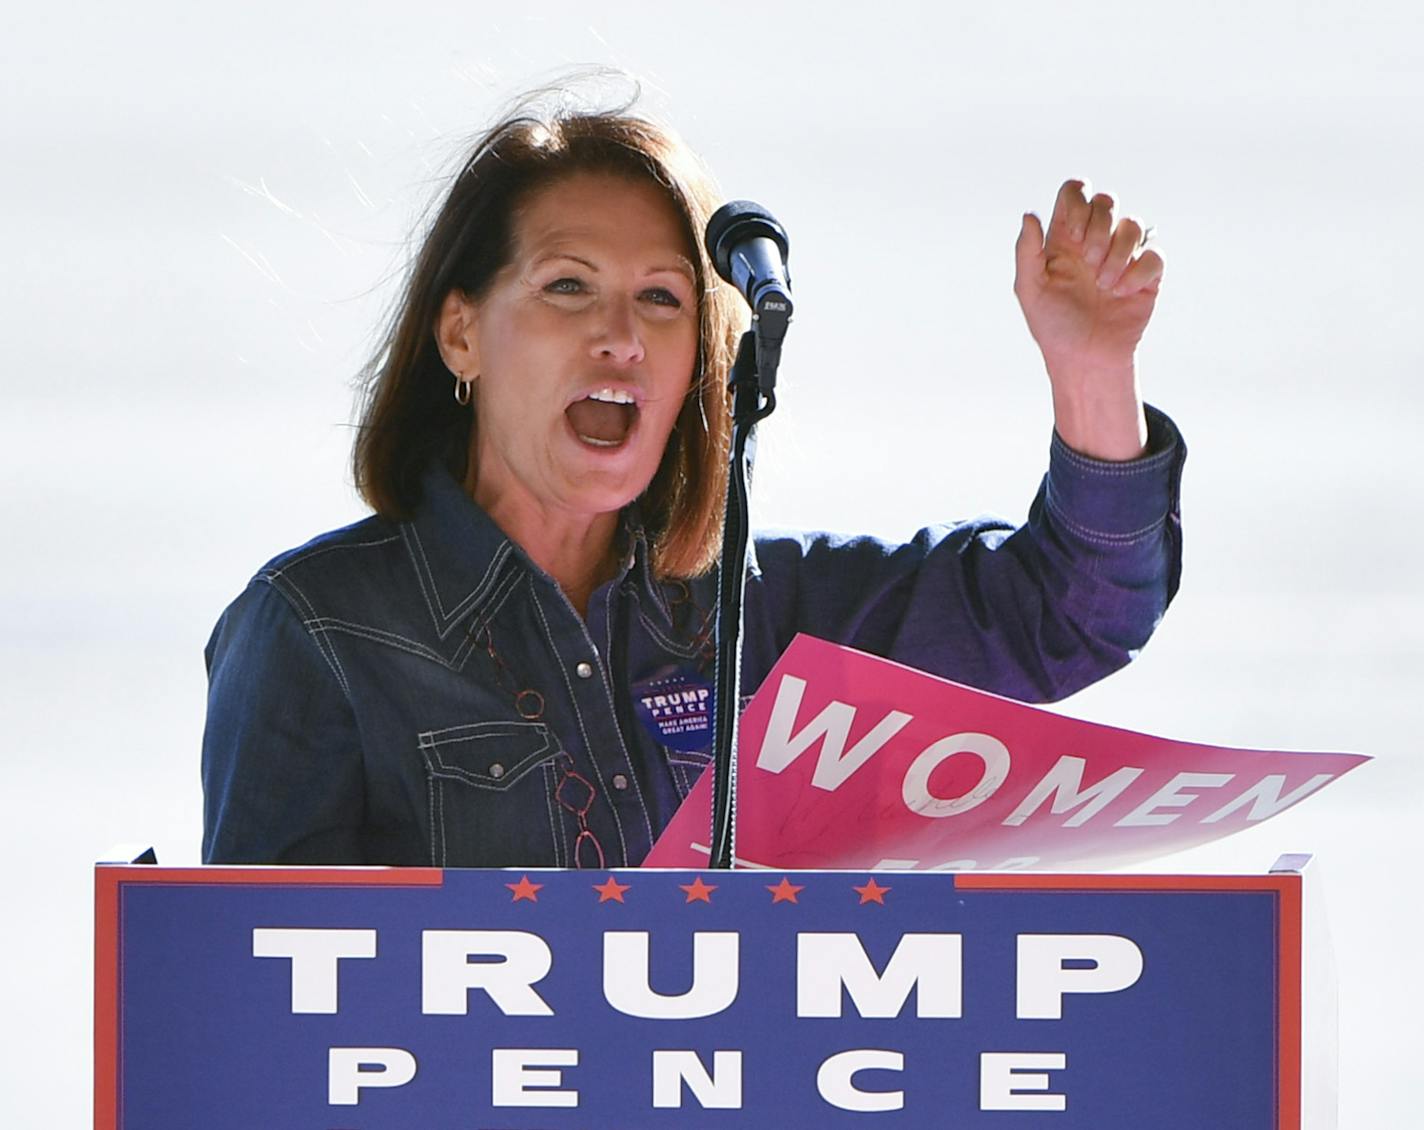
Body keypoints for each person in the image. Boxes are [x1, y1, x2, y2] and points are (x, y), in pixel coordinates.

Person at [201, 94, 1184, 868]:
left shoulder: (760, 619)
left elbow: (1069, 613)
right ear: (460, 332)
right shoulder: (318, 631)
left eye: (661, 299)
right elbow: (261, 999)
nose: (620, 336)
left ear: (700, 366)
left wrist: (1091, 371)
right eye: (567, 285)